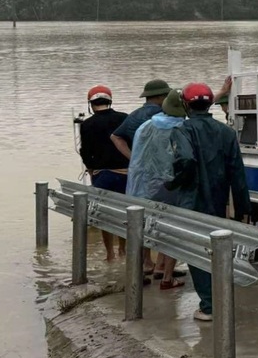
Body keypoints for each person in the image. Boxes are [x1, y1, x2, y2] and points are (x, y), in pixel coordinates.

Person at [170, 82, 251, 322]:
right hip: (218, 201)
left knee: (195, 252)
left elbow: (185, 160)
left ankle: (209, 306)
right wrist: (243, 211)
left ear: (186, 105)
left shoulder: (182, 130)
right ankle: (220, 301)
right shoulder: (226, 132)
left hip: (191, 201)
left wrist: (174, 183)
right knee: (217, 251)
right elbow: (238, 174)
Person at [126, 90, 192, 290]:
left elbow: (137, 158)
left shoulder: (145, 126)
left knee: (141, 227)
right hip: (169, 186)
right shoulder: (182, 128)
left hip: (141, 185)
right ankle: (166, 276)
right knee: (171, 228)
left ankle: (139, 272)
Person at [112, 78, 170, 275]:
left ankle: (147, 262)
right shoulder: (163, 116)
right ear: (161, 97)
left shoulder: (134, 115)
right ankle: (162, 264)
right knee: (163, 217)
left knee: (142, 217)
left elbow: (115, 136)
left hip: (139, 176)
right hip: (161, 175)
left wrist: (134, 158)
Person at [78, 85, 129, 261]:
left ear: (91, 104)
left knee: (104, 215)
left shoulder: (87, 124)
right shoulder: (124, 118)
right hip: (125, 173)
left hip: (101, 174)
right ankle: (123, 249)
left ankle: (110, 254)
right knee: (125, 212)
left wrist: (91, 169)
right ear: (110, 101)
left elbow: (85, 151)